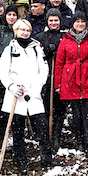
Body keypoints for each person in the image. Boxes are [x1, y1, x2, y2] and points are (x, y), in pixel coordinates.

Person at [0, 19, 55, 174]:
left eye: (28, 30)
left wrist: (38, 87)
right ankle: (21, 160)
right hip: (16, 97)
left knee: (42, 129)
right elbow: (3, 72)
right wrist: (11, 86)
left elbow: (43, 69)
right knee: (18, 132)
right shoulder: (9, 49)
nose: (25, 33)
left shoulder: (36, 48)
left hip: (34, 95)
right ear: (15, 31)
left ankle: (47, 159)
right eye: (22, 30)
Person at [54, 11, 88, 158]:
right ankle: (79, 141)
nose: (80, 24)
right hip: (71, 81)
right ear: (72, 24)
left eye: (82, 22)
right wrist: (58, 84)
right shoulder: (65, 41)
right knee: (76, 115)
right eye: (77, 22)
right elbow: (59, 64)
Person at [0, 4, 20, 148]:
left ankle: (17, 141)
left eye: (14, 15)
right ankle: (2, 139)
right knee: (1, 111)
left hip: (18, 80)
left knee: (17, 113)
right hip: (0, 81)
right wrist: (5, 73)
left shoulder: (21, 34)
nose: (12, 17)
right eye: (9, 15)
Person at [36, 9, 66, 151]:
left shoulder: (65, 36)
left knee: (59, 109)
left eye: (56, 20)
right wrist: (46, 51)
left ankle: (56, 136)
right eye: (51, 20)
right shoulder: (41, 36)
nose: (53, 23)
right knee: (46, 108)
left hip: (60, 77)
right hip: (45, 78)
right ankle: (45, 135)